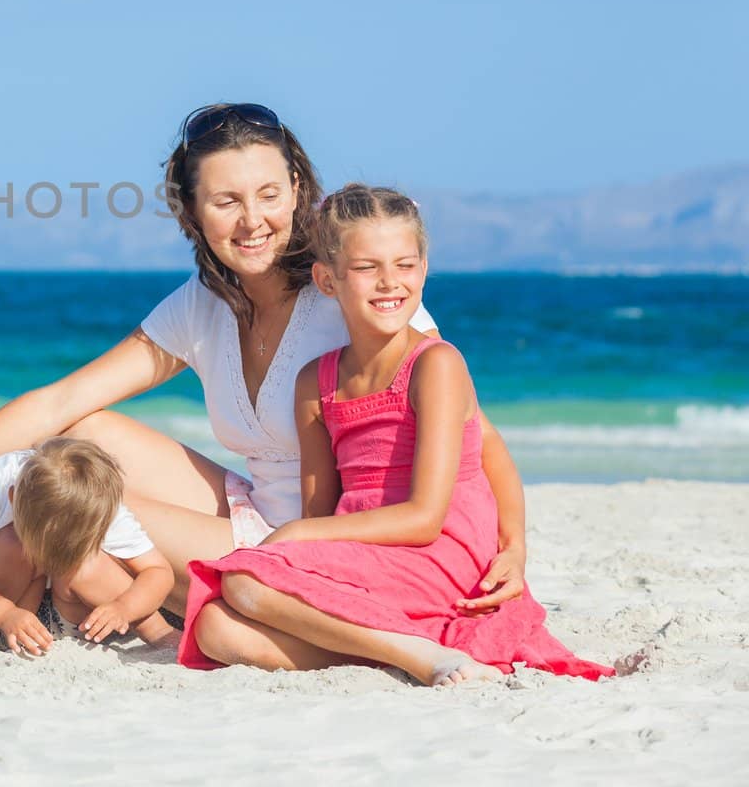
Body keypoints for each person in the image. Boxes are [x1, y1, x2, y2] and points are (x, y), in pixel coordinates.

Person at [0, 104, 530, 615]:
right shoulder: (202, 304)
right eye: (226, 200)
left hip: (310, 542)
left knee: (56, 503)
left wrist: (513, 547)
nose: (252, 220)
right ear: (193, 212)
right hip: (249, 505)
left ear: (298, 192)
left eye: (269, 195)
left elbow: (476, 432)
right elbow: (55, 404)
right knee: (83, 436)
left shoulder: (352, 290)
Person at [181, 186, 612, 684]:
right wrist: (302, 540)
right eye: (367, 268)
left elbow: (427, 517)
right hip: (368, 551)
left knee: (244, 583)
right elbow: (322, 515)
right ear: (327, 279)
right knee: (215, 627)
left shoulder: (436, 365)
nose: (389, 282)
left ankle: (422, 658)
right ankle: (396, 647)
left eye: (405, 265)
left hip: (438, 551)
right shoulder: (314, 383)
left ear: (424, 270)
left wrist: (514, 547)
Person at [0, 438, 179, 657]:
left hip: (81, 616)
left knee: (88, 564)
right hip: (8, 606)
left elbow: (158, 571)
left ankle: (160, 634)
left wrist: (124, 608)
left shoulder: (96, 505)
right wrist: (5, 614)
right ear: (13, 498)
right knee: (11, 543)